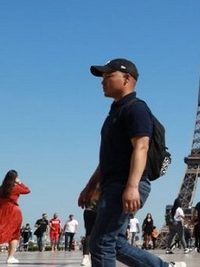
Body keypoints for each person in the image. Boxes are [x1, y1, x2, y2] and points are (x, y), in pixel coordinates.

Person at [77, 58, 185, 267]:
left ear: (126, 78)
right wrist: (91, 186)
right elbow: (108, 158)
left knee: (101, 243)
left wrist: (132, 186)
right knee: (114, 242)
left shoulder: (136, 109)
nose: (102, 81)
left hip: (125, 184)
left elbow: (141, 147)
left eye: (108, 76)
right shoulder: (116, 112)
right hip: (115, 184)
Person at [0, 170, 31, 264]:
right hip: (14, 211)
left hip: (1, 211)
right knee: (14, 234)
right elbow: (27, 190)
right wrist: (19, 182)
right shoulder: (15, 188)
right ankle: (10, 257)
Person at [80, 185, 99, 266]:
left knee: (88, 234)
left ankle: (85, 257)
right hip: (97, 212)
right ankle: (95, 257)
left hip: (87, 212)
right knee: (98, 235)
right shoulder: (103, 187)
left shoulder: (91, 189)